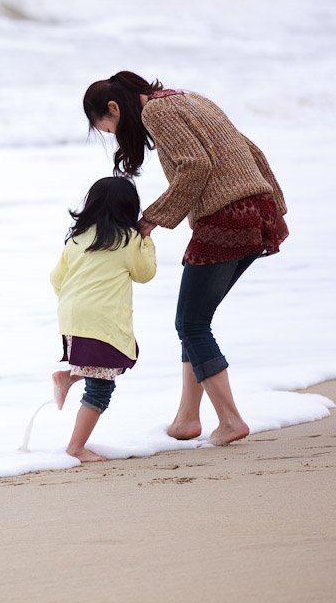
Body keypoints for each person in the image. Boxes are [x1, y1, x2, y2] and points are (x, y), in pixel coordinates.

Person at [83, 71, 289, 446]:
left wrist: (152, 219)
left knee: (190, 324)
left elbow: (196, 166)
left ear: (114, 107)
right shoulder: (190, 98)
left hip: (226, 216)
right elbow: (250, 148)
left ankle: (230, 420)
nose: (115, 134)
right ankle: (187, 419)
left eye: (109, 127)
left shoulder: (156, 113)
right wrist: (274, 207)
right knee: (195, 320)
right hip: (257, 209)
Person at [50, 176, 156, 461]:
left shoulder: (76, 239)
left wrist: (76, 302)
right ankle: (75, 448)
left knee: (115, 362)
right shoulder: (128, 239)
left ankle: (68, 377)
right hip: (102, 321)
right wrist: (146, 239)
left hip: (72, 317)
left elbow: (56, 278)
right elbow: (145, 274)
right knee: (101, 387)